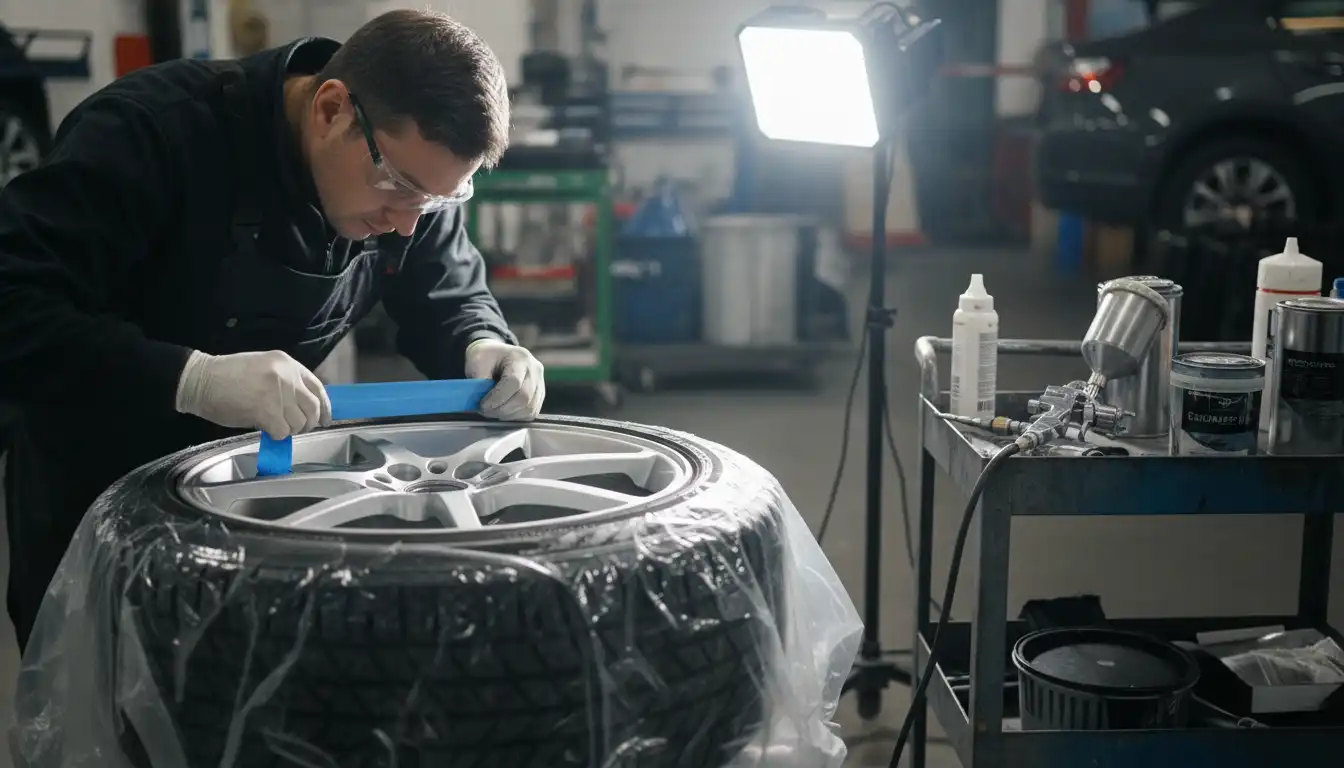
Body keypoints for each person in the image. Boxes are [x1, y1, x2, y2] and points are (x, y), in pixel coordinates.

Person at [0, 9, 546, 650]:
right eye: (397, 188)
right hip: (97, 504)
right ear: (331, 109)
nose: (406, 224)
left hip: (266, 500)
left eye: (434, 202)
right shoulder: (149, 133)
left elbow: (445, 292)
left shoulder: (409, 179)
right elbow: (13, 303)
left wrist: (483, 342)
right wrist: (189, 377)